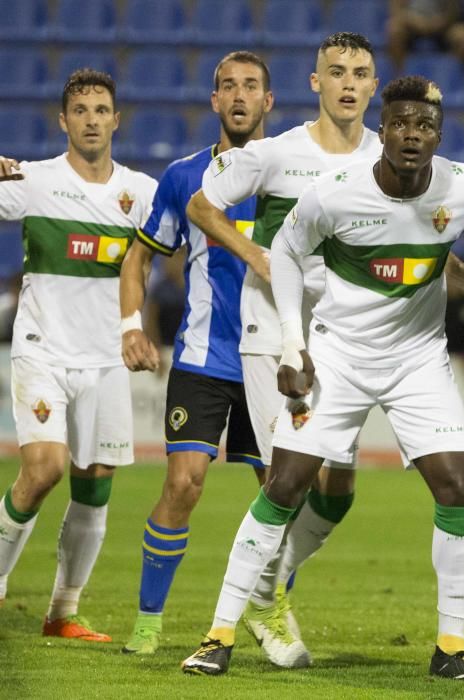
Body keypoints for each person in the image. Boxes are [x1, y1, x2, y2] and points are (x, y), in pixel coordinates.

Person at [180, 75, 464, 682]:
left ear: (439, 135)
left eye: (425, 126)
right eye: (401, 125)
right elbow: (281, 254)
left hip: (418, 361)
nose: (412, 135)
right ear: (383, 132)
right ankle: (218, 634)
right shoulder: (335, 194)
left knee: (457, 487)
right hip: (338, 358)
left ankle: (450, 647)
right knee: (283, 485)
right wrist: (291, 343)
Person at [185, 32, 382, 665]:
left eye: (359, 72)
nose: (348, 83)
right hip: (273, 335)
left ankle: (267, 585)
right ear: (315, 83)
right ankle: (244, 616)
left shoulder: (388, 158)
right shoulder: (276, 153)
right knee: (287, 478)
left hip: (346, 341)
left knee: (339, 488)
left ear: (372, 86)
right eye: (336, 72)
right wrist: (256, 256)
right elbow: (202, 204)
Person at [117, 50, 273, 657]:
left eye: (251, 86)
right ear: (214, 102)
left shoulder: (292, 173)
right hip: (204, 359)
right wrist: (133, 324)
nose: (238, 96)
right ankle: (149, 620)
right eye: (227, 86)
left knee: (285, 493)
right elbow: (141, 256)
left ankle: (268, 605)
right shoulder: (185, 178)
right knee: (184, 484)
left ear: (268, 101)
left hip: (272, 362)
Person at [0, 69, 156, 642]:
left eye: (101, 110)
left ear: (117, 120)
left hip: (108, 358)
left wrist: (136, 329)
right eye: (80, 110)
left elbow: (151, 260)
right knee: (44, 469)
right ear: (62, 121)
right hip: (43, 350)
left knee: (95, 482)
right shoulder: (32, 181)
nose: (91, 119)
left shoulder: (140, 193)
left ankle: (62, 612)